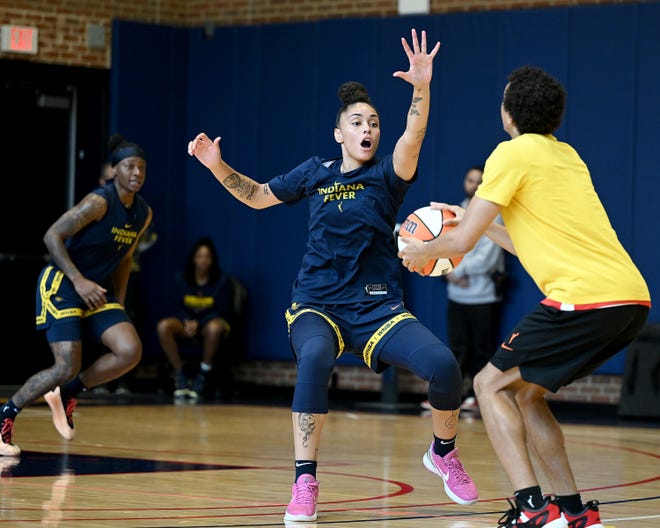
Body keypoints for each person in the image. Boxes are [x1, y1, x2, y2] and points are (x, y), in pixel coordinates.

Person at [188, 28, 478, 522]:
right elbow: (257, 196)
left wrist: (421, 87)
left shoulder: (387, 177)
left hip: (377, 306)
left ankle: (443, 453)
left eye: (374, 122)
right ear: (339, 133)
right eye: (358, 122)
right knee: (315, 360)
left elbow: (414, 135)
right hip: (316, 303)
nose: (369, 128)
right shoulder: (314, 172)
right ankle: (304, 481)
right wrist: (217, 165)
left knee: (445, 366)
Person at [398, 65, 650, 528]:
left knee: (486, 385)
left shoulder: (509, 155)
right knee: (526, 395)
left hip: (584, 299)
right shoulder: (566, 155)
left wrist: (421, 250)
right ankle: (573, 511)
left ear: (509, 112)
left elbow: (457, 245)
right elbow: (525, 243)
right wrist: (464, 217)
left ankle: (533, 508)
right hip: (629, 301)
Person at [0, 134, 152, 455]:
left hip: (96, 289)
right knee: (66, 364)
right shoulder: (99, 202)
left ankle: (70, 392)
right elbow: (52, 235)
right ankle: (7, 416)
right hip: (63, 282)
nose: (136, 173)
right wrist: (78, 279)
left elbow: (125, 259)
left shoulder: (143, 213)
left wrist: (120, 302)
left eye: (141, 167)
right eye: (129, 166)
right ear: (115, 171)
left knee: (129, 350)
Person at [445, 165, 505, 414]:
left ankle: (477, 397)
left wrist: (459, 271)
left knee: (481, 349)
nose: (474, 185)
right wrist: (449, 272)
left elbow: (487, 257)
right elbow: (448, 245)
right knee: (457, 348)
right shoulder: (455, 211)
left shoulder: (494, 215)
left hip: (483, 296)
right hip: (456, 295)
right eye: (470, 180)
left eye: (479, 181)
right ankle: (451, 398)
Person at [156, 236, 233, 400]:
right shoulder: (181, 278)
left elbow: (223, 311)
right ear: (193, 259)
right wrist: (186, 321)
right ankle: (179, 374)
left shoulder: (222, 281)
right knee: (163, 326)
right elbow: (177, 306)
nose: (203, 260)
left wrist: (198, 323)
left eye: (207, 256)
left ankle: (203, 375)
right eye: (199, 256)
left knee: (215, 327)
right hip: (186, 324)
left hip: (208, 325)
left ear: (212, 260)